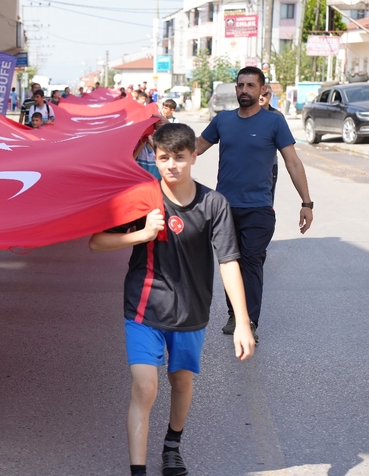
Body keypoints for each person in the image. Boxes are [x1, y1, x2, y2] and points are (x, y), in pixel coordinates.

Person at [89, 123, 255, 476]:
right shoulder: (142, 198)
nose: (171, 166)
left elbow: (228, 261)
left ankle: (172, 446)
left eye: (179, 157)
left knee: (181, 381)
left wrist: (242, 321)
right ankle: (138, 471)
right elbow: (97, 241)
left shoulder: (214, 203)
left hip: (190, 311)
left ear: (194, 157)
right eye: (164, 158)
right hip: (143, 307)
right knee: (145, 386)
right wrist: (141, 234)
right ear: (156, 157)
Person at [196, 66, 313, 342]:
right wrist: (163, 143)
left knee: (251, 261)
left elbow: (292, 162)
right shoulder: (222, 120)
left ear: (262, 90)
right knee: (230, 262)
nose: (244, 90)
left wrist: (306, 202)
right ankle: (235, 313)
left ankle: (249, 320)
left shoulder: (274, 123)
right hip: (223, 208)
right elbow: (195, 148)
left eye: (250, 85)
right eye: (240, 85)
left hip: (259, 208)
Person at [258, 89, 281, 203]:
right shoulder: (245, 114)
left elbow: (285, 146)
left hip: (270, 167)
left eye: (264, 94)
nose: (261, 97)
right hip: (248, 167)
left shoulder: (277, 117)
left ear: (270, 96)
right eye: (259, 94)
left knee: (267, 203)